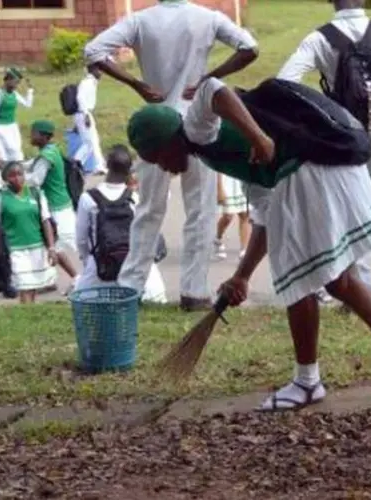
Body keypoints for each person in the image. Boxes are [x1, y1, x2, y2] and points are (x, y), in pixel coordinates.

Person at [126, 77, 371, 411]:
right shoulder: (214, 152)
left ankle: (307, 382)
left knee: (297, 281)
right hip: (331, 169)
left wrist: (259, 138)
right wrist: (242, 275)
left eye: (158, 157)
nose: (164, 168)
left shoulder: (195, 129)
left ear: (170, 140)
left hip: (309, 172)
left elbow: (214, 89)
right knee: (339, 279)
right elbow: (266, 214)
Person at [84, 0, 258, 312]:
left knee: (149, 210)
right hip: (197, 122)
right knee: (201, 211)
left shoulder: (140, 20)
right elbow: (250, 48)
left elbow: (93, 51)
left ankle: (131, 287)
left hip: (156, 127)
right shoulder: (207, 17)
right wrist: (209, 76)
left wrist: (135, 82)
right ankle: (194, 290)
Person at [278, 0, 371, 313]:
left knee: (355, 213)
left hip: (347, 139)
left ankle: (359, 294)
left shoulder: (320, 39)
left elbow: (286, 79)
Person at [75, 145, 167, 303]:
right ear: (130, 170)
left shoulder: (88, 198)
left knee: (81, 300)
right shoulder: (135, 198)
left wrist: (89, 262)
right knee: (155, 296)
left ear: (106, 165)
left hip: (100, 267)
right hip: (131, 265)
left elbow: (81, 239)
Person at [0, 162, 57, 303]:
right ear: (5, 179)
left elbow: (46, 221)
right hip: (16, 252)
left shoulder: (36, 194)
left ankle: (29, 316)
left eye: (20, 174)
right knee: (24, 287)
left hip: (37, 249)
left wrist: (51, 248)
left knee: (33, 288)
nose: (17, 178)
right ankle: (27, 315)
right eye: (12, 175)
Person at [26, 120, 79, 292]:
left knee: (71, 244)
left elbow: (35, 180)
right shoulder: (50, 150)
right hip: (59, 206)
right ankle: (53, 280)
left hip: (58, 209)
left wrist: (13, 178)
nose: (31, 136)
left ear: (42, 136)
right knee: (55, 245)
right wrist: (12, 165)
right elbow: (31, 164)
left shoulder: (47, 156)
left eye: (34, 133)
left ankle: (84, 279)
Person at [0, 68, 33, 162]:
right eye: (15, 82)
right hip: (0, 127)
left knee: (17, 150)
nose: (16, 85)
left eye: (18, 83)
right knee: (12, 151)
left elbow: (28, 105)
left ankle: (16, 167)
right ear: (7, 80)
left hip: (12, 126)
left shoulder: (14, 94)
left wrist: (30, 91)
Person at [73, 66, 107, 175]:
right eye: (99, 70)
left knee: (89, 143)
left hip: (83, 114)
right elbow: (80, 98)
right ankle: (99, 166)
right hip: (84, 113)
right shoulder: (87, 82)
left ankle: (76, 162)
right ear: (93, 70)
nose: (101, 73)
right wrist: (86, 114)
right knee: (92, 141)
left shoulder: (92, 82)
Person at [214, 173, 251, 260]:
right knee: (228, 216)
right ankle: (218, 238)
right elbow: (216, 168)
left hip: (242, 179)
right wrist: (219, 188)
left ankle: (244, 249)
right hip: (226, 181)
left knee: (244, 215)